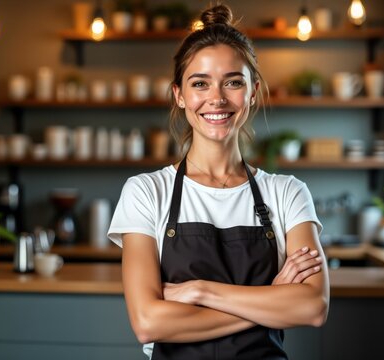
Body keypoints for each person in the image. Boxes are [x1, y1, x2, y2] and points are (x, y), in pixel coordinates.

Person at [108, 3, 329, 359]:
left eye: (233, 82)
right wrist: (269, 298)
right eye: (200, 83)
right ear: (179, 95)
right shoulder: (147, 192)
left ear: (253, 91)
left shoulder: (287, 193)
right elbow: (148, 322)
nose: (217, 98)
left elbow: (312, 307)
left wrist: (199, 291)